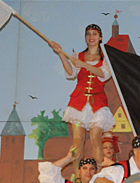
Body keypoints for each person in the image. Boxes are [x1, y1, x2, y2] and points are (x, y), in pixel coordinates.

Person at [48, 24, 116, 166]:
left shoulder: (106, 57)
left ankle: (97, 174)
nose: (91, 37)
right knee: (78, 140)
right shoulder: (77, 56)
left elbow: (104, 74)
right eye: (88, 34)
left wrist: (84, 64)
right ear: (85, 38)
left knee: (96, 139)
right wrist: (60, 53)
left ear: (100, 37)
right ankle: (78, 175)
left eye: (94, 34)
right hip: (78, 104)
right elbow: (71, 73)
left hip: (97, 105)